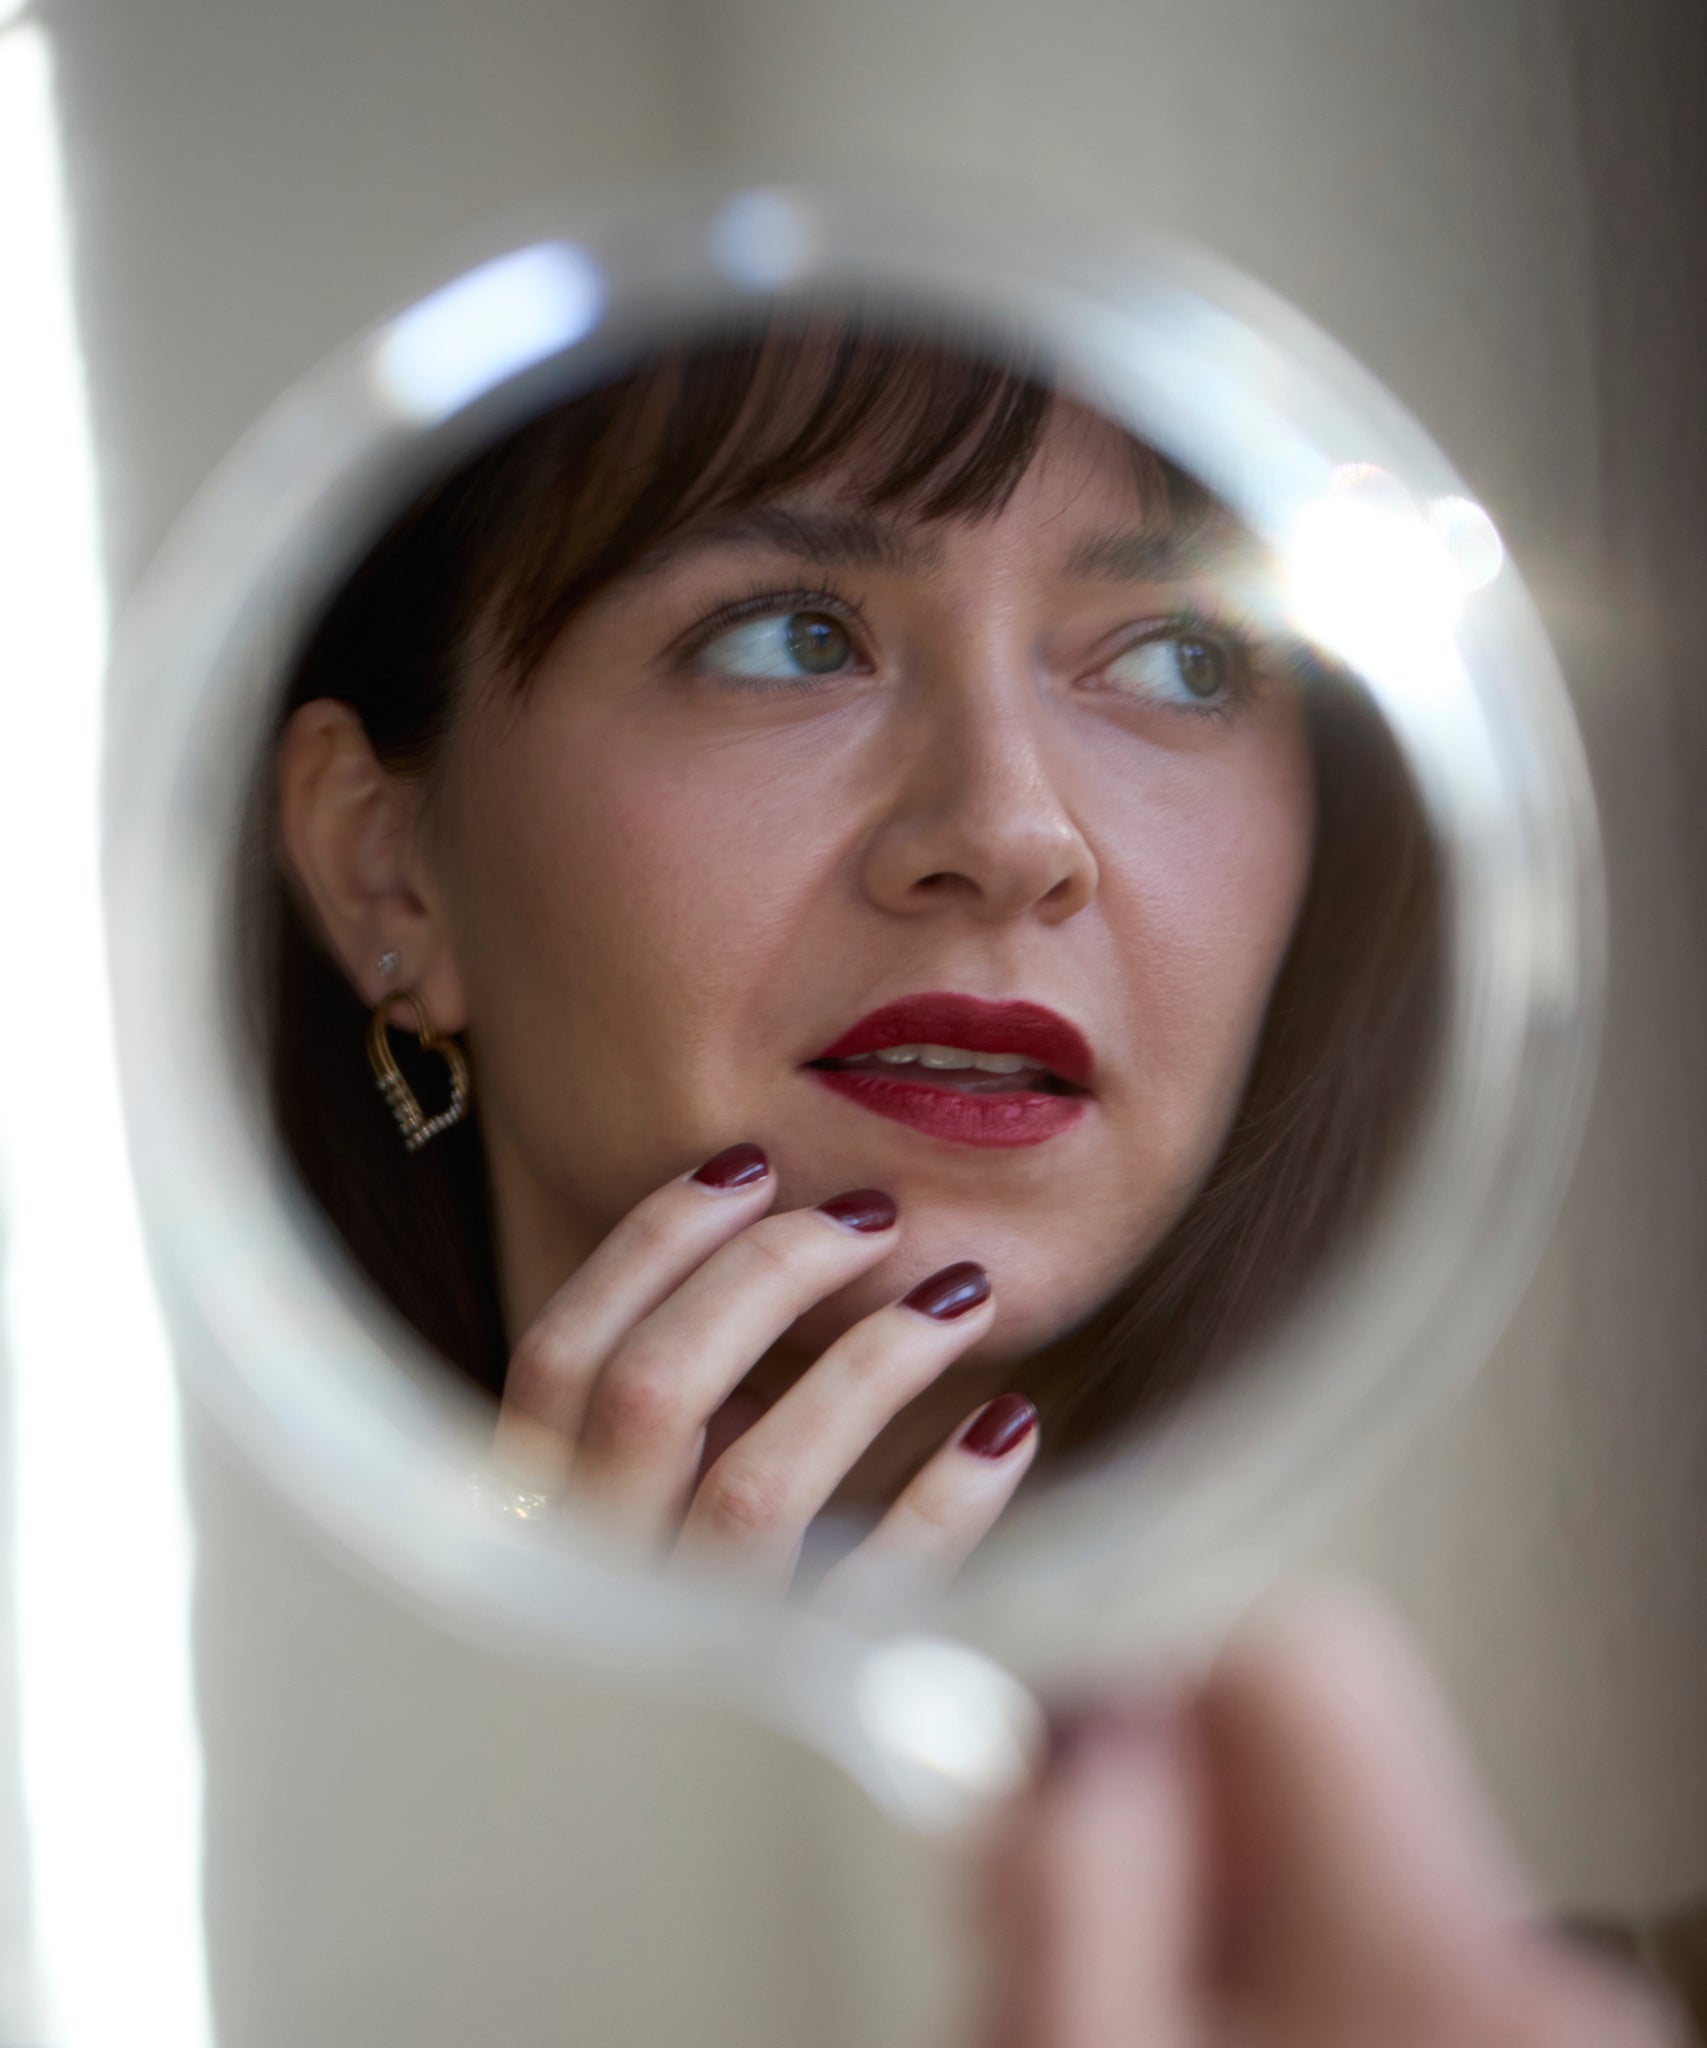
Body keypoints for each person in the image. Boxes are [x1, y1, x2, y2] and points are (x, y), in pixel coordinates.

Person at [250, 309, 1436, 1596]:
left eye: (1177, 659)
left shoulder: (1300, 1725)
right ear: (386, 874)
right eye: (792, 636)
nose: (1009, 832)